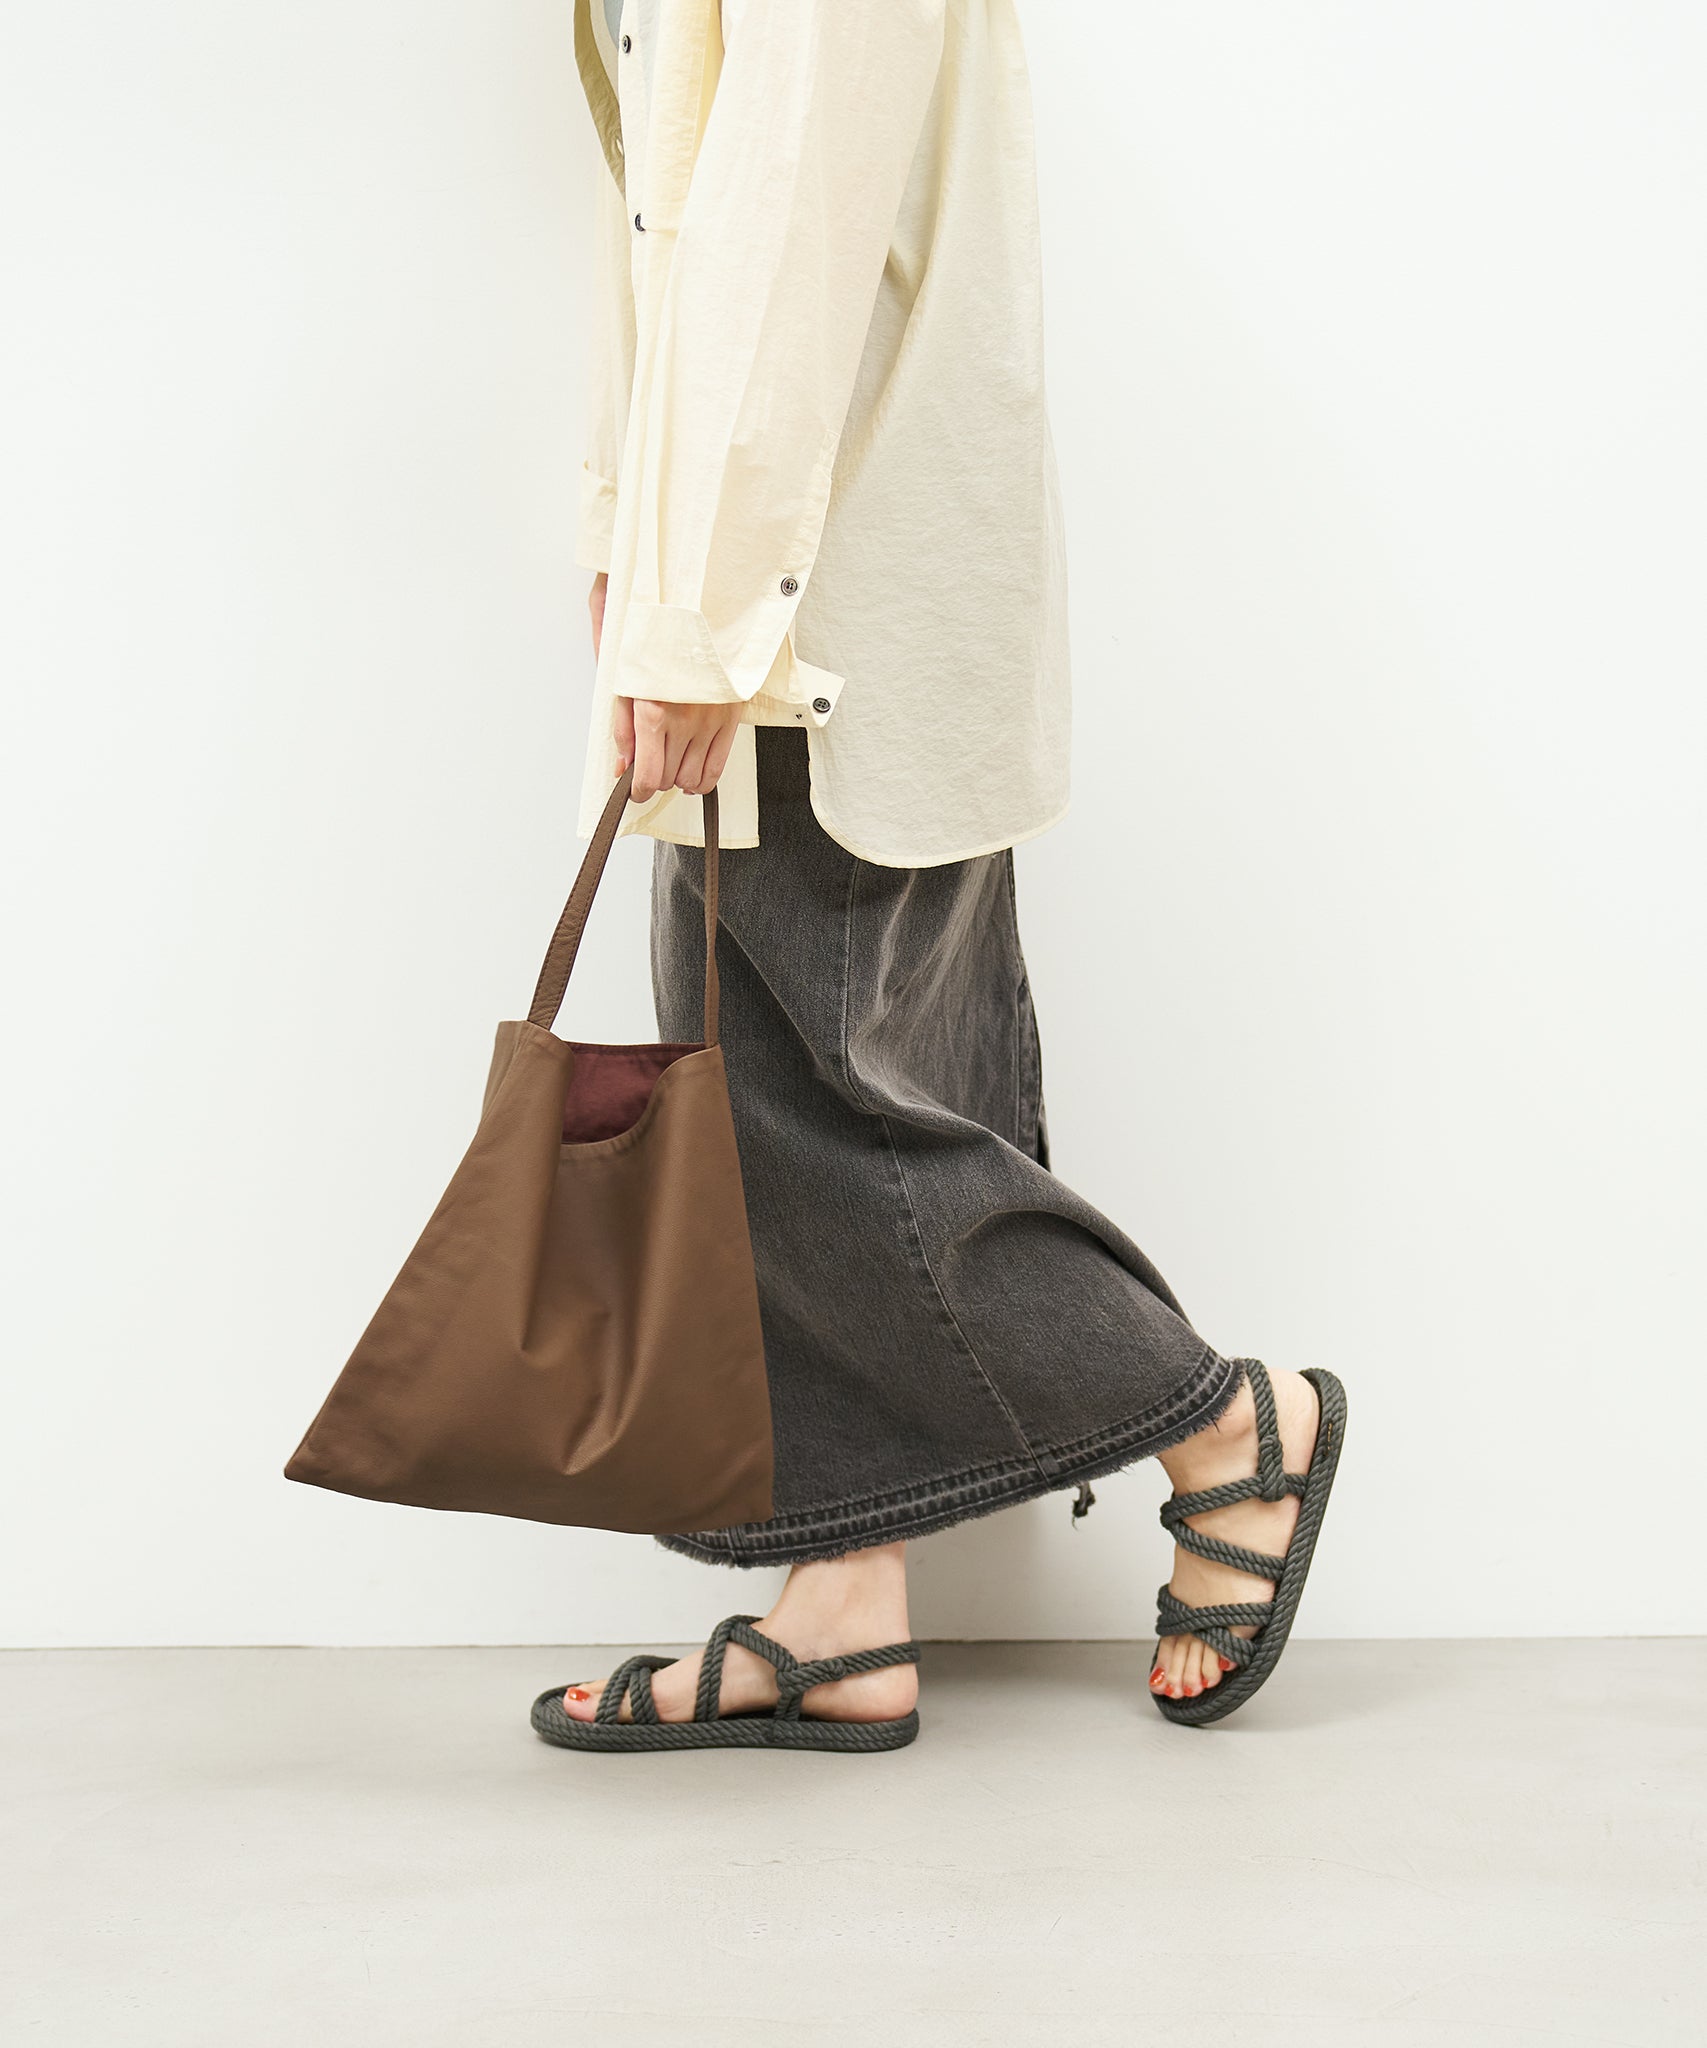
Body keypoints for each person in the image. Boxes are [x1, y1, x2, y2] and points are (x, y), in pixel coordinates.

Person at [532, 0, 1346, 1753]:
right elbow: (671, 212)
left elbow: (790, 229)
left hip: (818, 595)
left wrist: (697, 604)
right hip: (793, 575)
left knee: (825, 1128)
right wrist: (631, 533)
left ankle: (1226, 1424)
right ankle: (842, 1605)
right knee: (779, 1090)